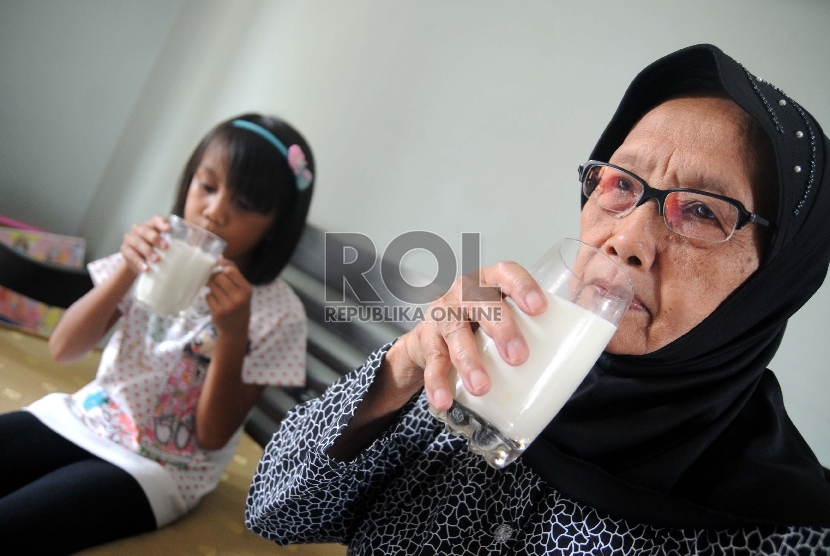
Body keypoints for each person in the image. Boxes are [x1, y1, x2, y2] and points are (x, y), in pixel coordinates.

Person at [246, 45, 830, 553]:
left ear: (777, 277)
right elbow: (273, 511)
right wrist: (401, 366)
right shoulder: (491, 365)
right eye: (621, 184)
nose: (625, 240)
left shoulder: (787, 534)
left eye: (701, 210)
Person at [0, 114, 314, 554]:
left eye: (243, 203)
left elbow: (211, 435)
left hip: (159, 468)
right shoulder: (158, 252)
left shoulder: (277, 313)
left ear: (275, 225)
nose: (215, 210)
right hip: (85, 417)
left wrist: (232, 335)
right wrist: (128, 268)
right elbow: (64, 348)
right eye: (207, 186)